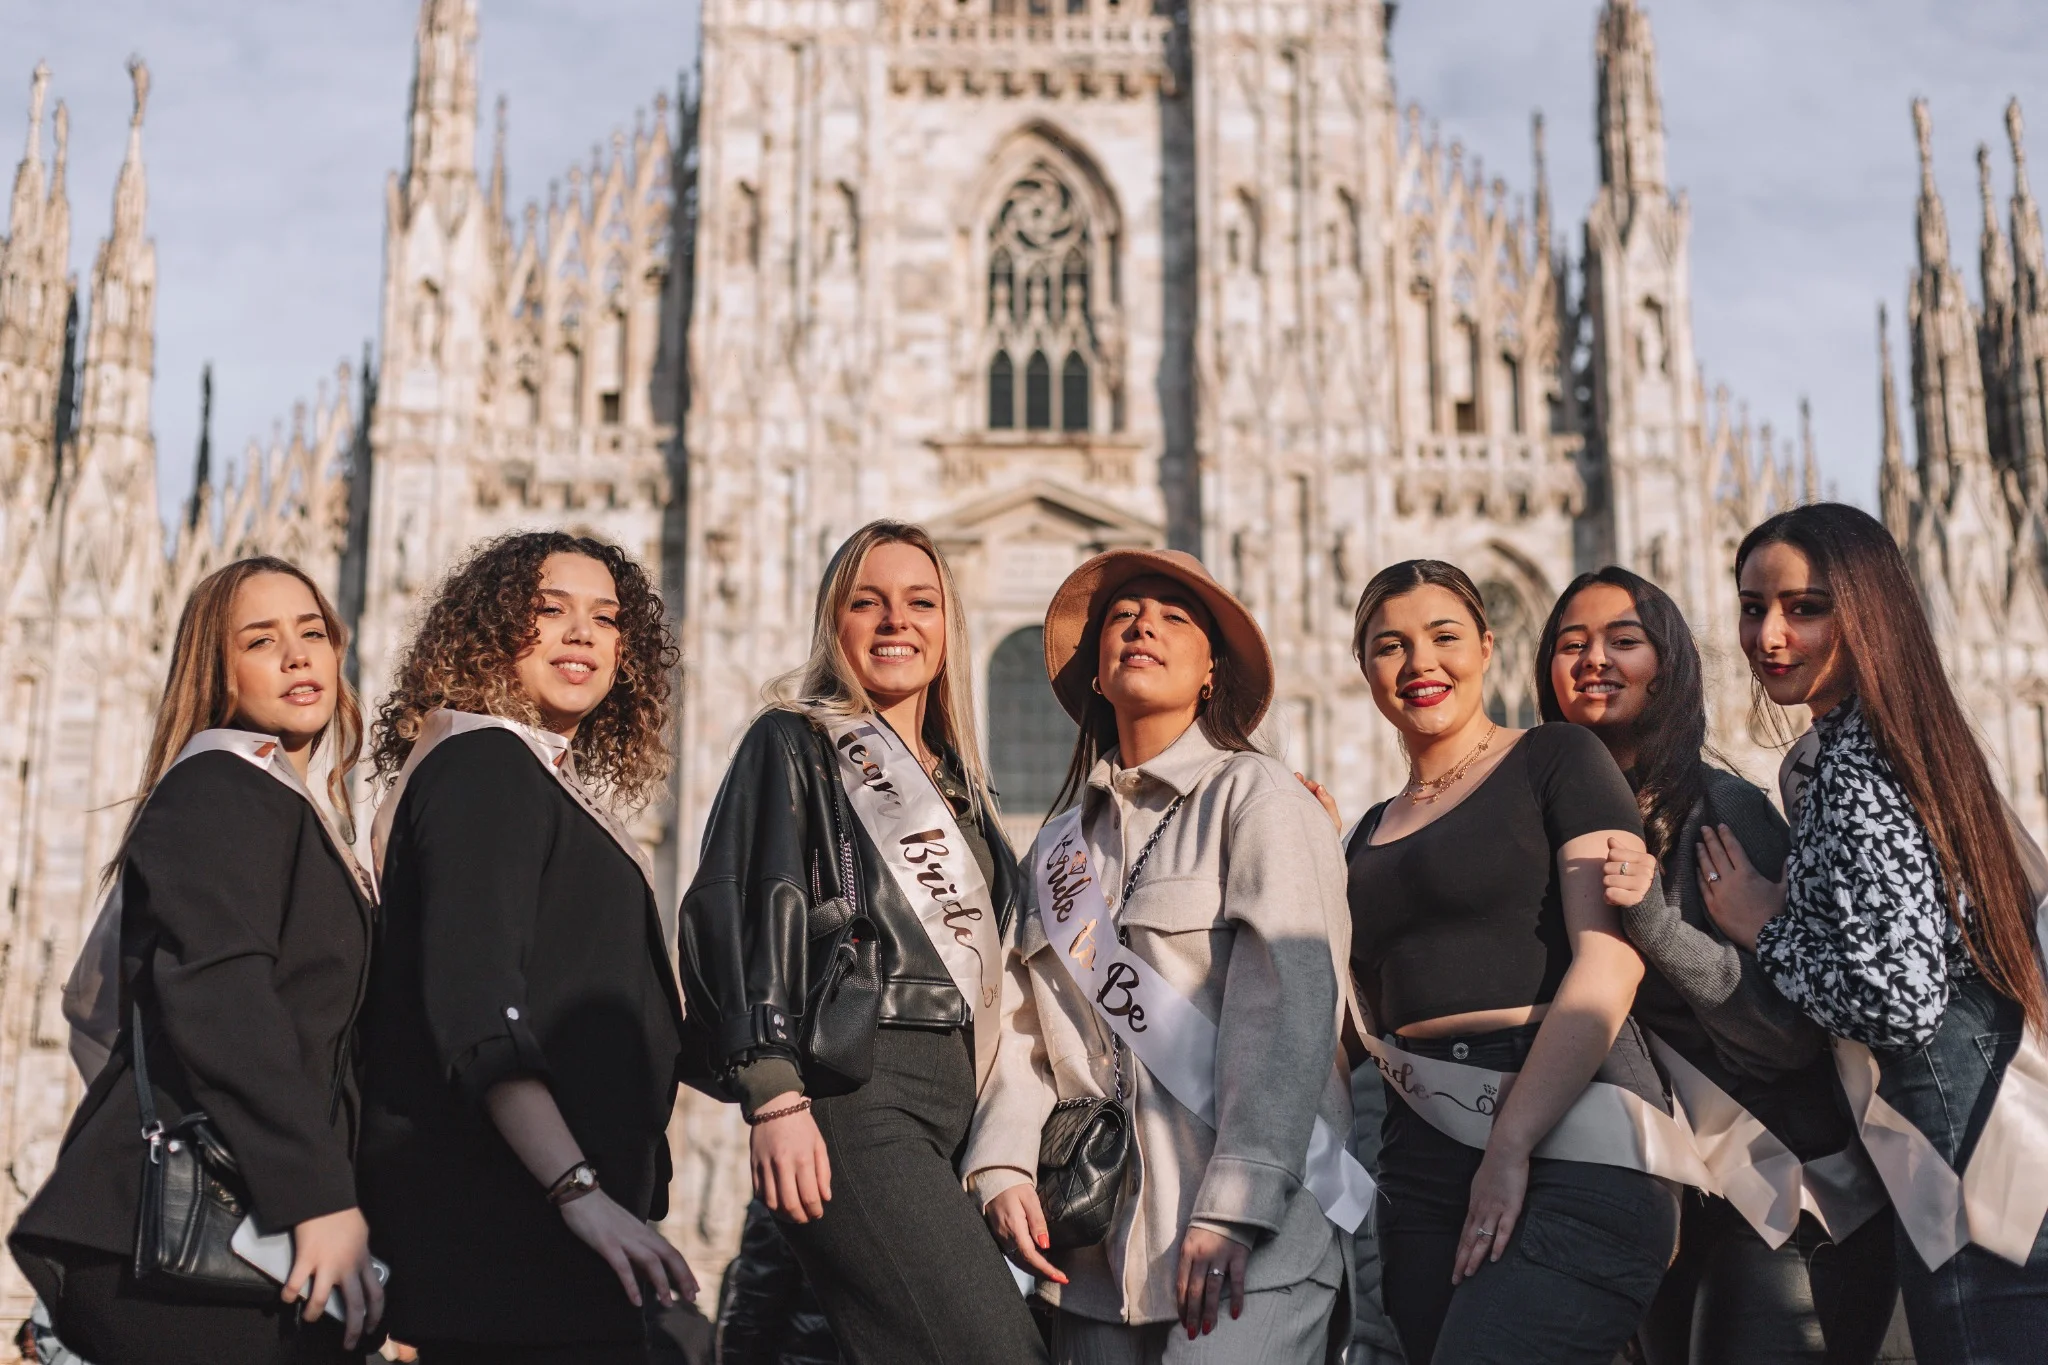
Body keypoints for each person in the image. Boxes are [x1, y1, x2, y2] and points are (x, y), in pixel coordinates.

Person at [968, 548, 1364, 1364]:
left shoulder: (1260, 799)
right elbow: (1022, 1033)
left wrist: (1233, 1207)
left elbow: (1291, 1008)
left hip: (1254, 1246)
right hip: (1096, 1256)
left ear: (1211, 672)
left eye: (1174, 617)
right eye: (1122, 616)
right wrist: (1001, 1161)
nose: (1143, 624)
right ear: (1098, 677)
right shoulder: (1055, 850)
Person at [676, 521, 1045, 1365]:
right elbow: (744, 903)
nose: (895, 622)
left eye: (921, 603)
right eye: (866, 602)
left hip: (958, 1106)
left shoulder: (963, 789)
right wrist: (772, 1092)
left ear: (950, 625)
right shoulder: (796, 742)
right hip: (860, 1087)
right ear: (831, 624)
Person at [1698, 503, 2048, 1364]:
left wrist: (1765, 924)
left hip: (1964, 1154)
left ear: (1867, 611)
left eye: (1804, 607)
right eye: (1753, 607)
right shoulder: (1895, 739)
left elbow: (1898, 997)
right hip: (1983, 1130)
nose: (1770, 634)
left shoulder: (1856, 763)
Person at [9, 556, 383, 1364]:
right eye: (261, 639)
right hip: (195, 1241)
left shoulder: (294, 806)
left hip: (248, 1226)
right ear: (217, 669)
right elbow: (222, 994)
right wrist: (317, 1196)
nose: (296, 655)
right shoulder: (220, 781)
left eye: (312, 631)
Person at [1535, 565, 1895, 1365]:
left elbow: (1789, 1035)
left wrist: (1655, 923)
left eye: (1623, 641)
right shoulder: (1540, 823)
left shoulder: (1722, 813)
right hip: (1658, 1195)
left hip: (1784, 1197)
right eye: (1570, 644)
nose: (1594, 659)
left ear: (1668, 665)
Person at [358, 532, 695, 1364]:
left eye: (606, 617)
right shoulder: (485, 763)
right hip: (514, 1235)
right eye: (550, 611)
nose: (582, 633)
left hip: (535, 1238)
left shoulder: (513, 769)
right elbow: (477, 1005)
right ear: (490, 630)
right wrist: (577, 1190)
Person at [1334, 558, 1681, 1365]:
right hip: (1419, 1161)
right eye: (1391, 646)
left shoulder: (1558, 758)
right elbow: (1351, 1020)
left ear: (1488, 646)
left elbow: (1610, 963)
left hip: (1569, 1124)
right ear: (1364, 669)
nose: (1420, 662)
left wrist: (1509, 1145)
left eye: (1444, 636)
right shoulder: (1363, 833)